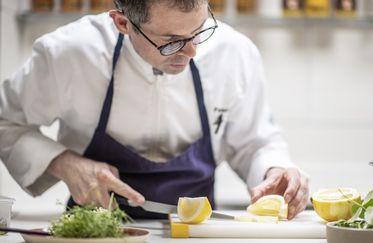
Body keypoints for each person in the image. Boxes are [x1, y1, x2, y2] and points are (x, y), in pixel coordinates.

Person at [0, 0, 309, 219]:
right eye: (172, 41)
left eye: (199, 31)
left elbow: (255, 142)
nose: (192, 51)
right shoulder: (69, 53)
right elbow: (5, 121)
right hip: (94, 231)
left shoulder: (235, 52)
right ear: (123, 23)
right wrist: (64, 163)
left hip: (195, 232)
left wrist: (276, 171)